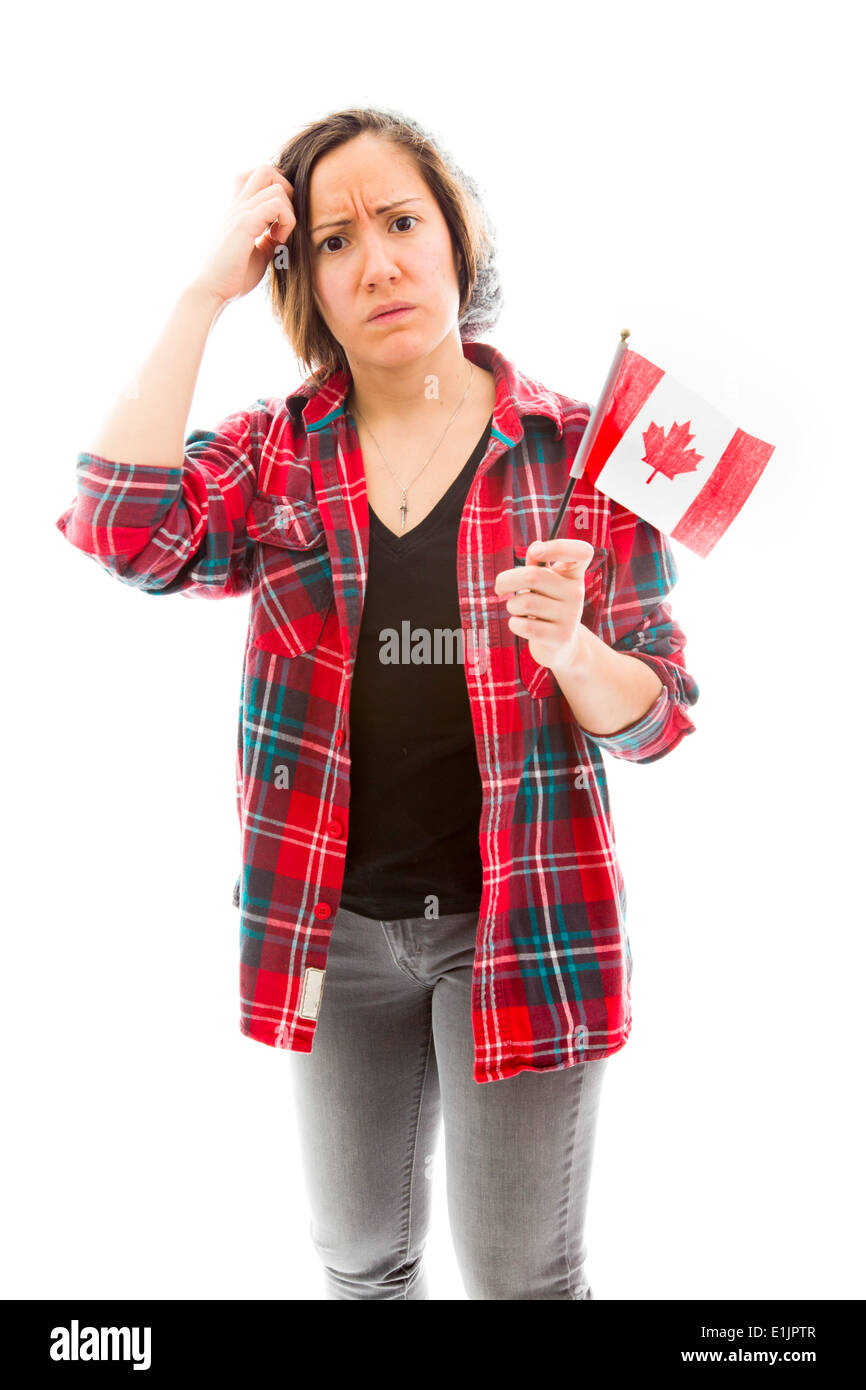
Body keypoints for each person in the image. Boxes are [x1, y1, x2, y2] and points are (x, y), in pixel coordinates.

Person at [55, 106, 700, 1300]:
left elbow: (658, 718)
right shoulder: (277, 452)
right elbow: (122, 530)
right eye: (335, 241)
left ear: (457, 240)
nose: (379, 263)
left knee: (521, 1277)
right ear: (302, 280)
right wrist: (204, 292)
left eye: (402, 221)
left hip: (525, 923)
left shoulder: (580, 454)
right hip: (332, 930)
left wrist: (568, 649)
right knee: (360, 1261)